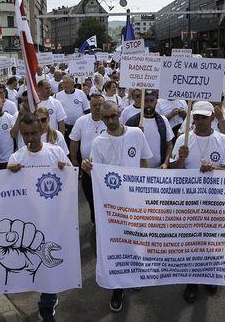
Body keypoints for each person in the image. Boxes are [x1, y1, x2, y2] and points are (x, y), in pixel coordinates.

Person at [81, 101, 152, 313]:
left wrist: (144, 188)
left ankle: (136, 275)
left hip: (135, 200)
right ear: (101, 119)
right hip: (112, 204)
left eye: (113, 116)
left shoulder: (136, 134)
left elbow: (145, 160)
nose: (110, 121)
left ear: (119, 113)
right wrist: (86, 169)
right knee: (116, 243)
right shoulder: (99, 142)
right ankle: (117, 287)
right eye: (106, 118)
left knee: (136, 239)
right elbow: (96, 174)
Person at [6, 112, 71, 322]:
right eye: (25, 134)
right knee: (35, 264)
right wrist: (9, 174)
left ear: (42, 130)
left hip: (54, 220)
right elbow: (7, 191)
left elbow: (70, 181)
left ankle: (47, 303)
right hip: (29, 222)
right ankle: (48, 295)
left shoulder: (56, 152)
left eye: (34, 132)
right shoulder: (16, 158)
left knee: (49, 262)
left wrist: (66, 169)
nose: (30, 137)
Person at [170, 101, 225, 303]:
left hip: (213, 201)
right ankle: (191, 280)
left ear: (212, 118)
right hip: (188, 202)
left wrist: (214, 167)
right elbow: (173, 171)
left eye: (203, 117)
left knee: (210, 241)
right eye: (196, 116)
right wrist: (180, 159)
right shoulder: (183, 138)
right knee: (191, 242)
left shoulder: (223, 140)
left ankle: (209, 275)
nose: (199, 121)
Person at [69, 94, 106, 223]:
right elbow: (74, 141)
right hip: (87, 169)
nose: (97, 107)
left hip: (105, 170)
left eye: (100, 105)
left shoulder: (110, 121)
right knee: (90, 198)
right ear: (89, 106)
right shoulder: (81, 121)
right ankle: (95, 220)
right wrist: (74, 159)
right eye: (94, 105)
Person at [125, 89, 174, 169]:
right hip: (138, 169)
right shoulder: (132, 122)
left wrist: (166, 163)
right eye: (146, 101)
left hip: (159, 169)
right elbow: (125, 145)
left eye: (151, 101)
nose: (149, 104)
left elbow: (169, 145)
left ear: (156, 101)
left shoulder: (163, 120)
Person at [55, 76, 90, 145]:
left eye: (67, 82)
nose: (65, 85)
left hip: (79, 126)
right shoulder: (57, 96)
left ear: (73, 83)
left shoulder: (80, 93)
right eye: (63, 83)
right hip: (65, 127)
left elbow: (87, 110)